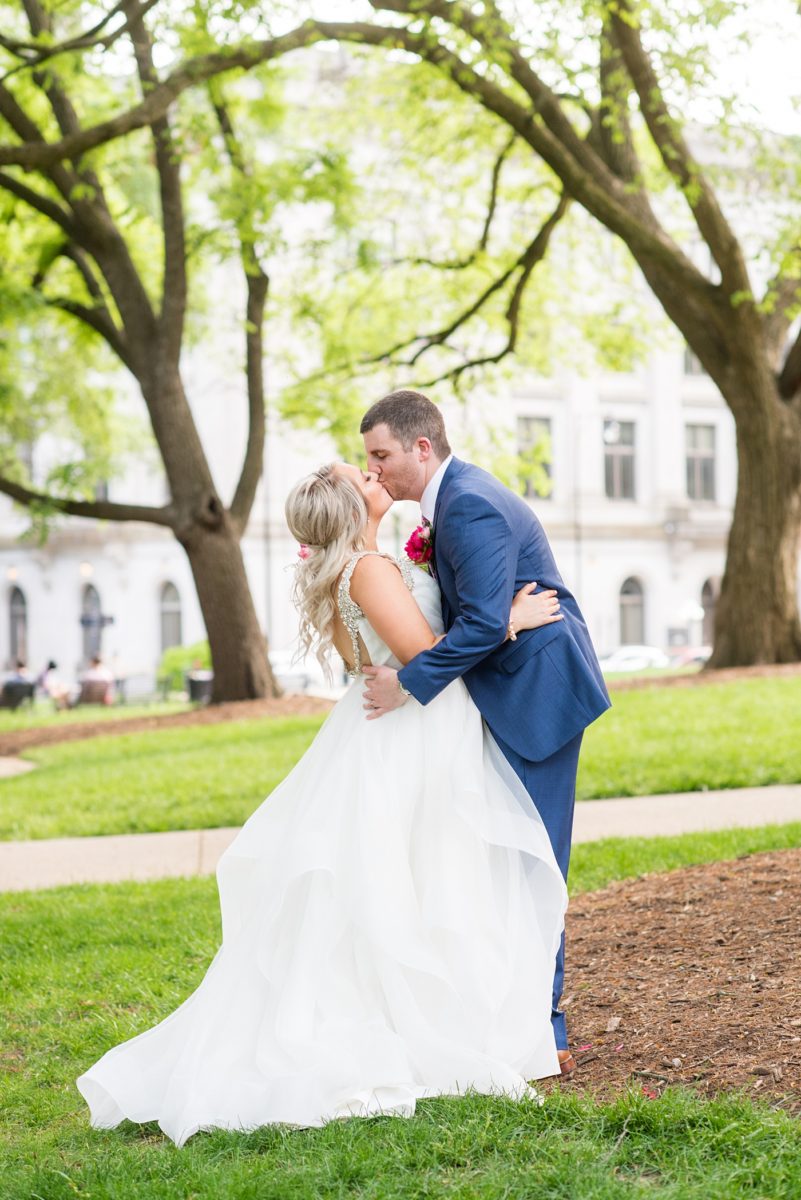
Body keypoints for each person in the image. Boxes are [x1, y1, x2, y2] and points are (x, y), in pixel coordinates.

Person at [77, 461, 568, 1145]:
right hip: (411, 731)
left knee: (416, 871)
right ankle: (424, 1020)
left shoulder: (357, 568)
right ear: (348, 504)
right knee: (421, 869)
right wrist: (506, 620)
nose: (371, 472)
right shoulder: (368, 570)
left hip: (398, 725)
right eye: (357, 473)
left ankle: (451, 1007)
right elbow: (421, 651)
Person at [360, 390, 611, 1075]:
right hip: (507, 687)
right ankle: (511, 1009)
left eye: (381, 455)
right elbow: (483, 616)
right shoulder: (448, 505)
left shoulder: (466, 503)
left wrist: (405, 685)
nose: (374, 470)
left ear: (421, 447)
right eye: (367, 460)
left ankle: (546, 1024)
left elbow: (475, 625)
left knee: (534, 858)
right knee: (500, 856)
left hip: (536, 694)